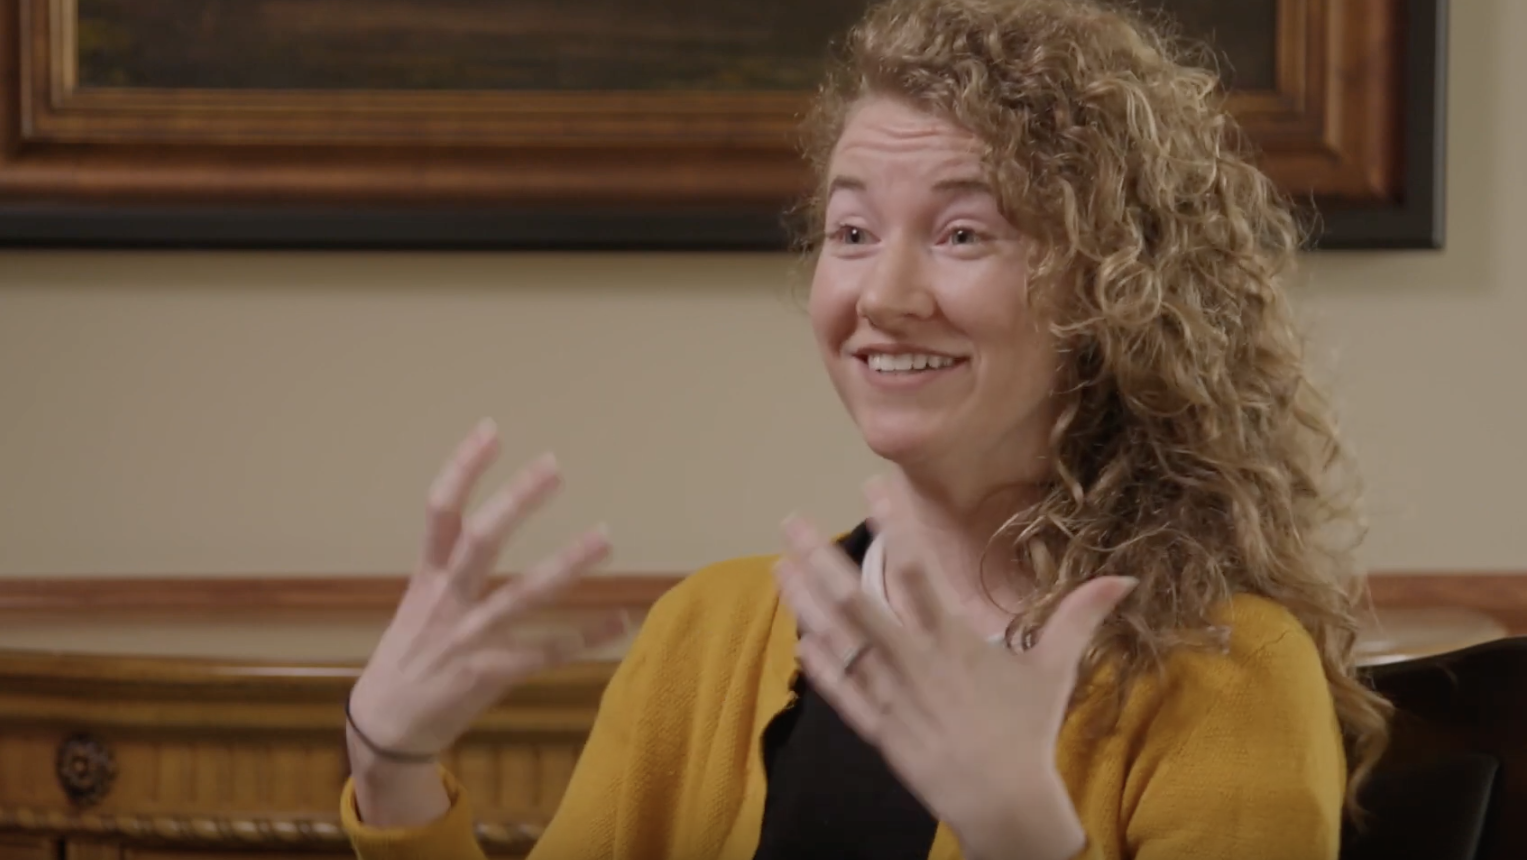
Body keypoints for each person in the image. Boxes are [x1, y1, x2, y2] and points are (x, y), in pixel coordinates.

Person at [339, 0, 1391, 857]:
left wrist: (1021, 838)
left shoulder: (1227, 672)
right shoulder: (704, 635)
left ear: (1114, 293)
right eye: (849, 231)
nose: (882, 294)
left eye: (962, 231)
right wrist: (388, 762)